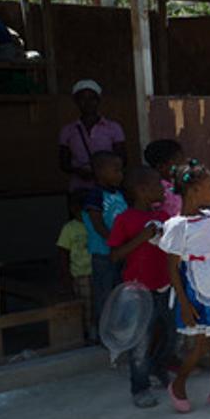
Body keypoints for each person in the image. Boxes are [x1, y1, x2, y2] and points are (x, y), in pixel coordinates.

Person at [160, 161, 210, 412]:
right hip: (197, 289)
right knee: (201, 343)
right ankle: (178, 384)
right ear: (194, 190)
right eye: (209, 186)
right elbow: (173, 267)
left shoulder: (209, 217)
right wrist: (184, 303)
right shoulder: (176, 226)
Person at [107, 166, 173, 408]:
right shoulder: (124, 220)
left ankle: (157, 369)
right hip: (138, 291)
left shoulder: (165, 217)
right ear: (142, 190)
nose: (163, 190)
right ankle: (140, 387)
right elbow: (115, 256)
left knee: (170, 334)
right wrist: (142, 238)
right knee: (140, 342)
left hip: (165, 286)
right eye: (157, 185)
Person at [83, 151, 126, 333]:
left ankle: (116, 329)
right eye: (115, 170)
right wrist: (113, 241)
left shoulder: (120, 194)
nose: (120, 174)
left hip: (120, 252)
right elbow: (98, 223)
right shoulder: (95, 195)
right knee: (104, 293)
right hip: (103, 253)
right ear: (100, 172)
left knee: (119, 291)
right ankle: (102, 331)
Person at [58, 80, 126, 191]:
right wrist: (79, 171)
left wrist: (104, 170)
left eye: (92, 98)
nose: (88, 102)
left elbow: (123, 158)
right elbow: (63, 163)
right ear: (76, 101)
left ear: (98, 100)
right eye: (82, 99)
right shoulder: (68, 130)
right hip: (79, 188)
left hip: (108, 187)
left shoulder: (114, 128)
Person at [56, 190, 93, 340]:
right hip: (80, 273)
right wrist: (66, 276)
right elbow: (63, 252)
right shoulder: (69, 228)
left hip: (96, 270)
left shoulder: (95, 225)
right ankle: (87, 333)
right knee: (86, 306)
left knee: (97, 303)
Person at [143, 138, 185, 217]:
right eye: (178, 162)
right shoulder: (158, 188)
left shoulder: (176, 185)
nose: (182, 166)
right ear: (161, 167)